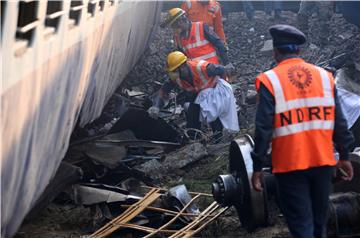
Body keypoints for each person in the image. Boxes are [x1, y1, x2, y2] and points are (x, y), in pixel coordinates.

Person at [250, 24, 354, 238]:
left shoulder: (270, 80)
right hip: (323, 163)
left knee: (301, 227)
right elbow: (339, 121)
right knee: (319, 226)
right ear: (300, 51)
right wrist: (344, 156)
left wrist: (258, 165)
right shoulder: (325, 77)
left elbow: (263, 127)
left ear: (276, 52)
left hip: (290, 166)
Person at [148, 51, 239, 142]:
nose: (173, 74)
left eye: (175, 70)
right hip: (199, 95)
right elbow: (163, 91)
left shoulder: (203, 68)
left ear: (183, 66)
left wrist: (222, 88)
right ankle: (194, 138)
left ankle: (218, 137)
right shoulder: (177, 78)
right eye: (172, 71)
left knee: (213, 113)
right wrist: (156, 106)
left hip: (214, 91)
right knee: (192, 114)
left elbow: (222, 70)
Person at [164, 8, 229, 65]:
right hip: (197, 75)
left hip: (214, 70)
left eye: (174, 26)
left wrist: (226, 63)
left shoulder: (201, 27)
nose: (174, 29)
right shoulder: (177, 38)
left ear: (180, 21)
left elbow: (219, 43)